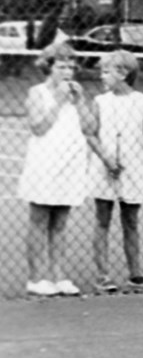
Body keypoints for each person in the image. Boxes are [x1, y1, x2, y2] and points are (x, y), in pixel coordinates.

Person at [85, 50, 143, 292]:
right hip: (105, 167)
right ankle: (102, 275)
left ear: (123, 73)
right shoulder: (100, 102)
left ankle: (135, 273)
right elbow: (91, 135)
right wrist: (107, 159)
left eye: (106, 71)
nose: (102, 76)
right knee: (102, 219)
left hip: (133, 168)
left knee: (131, 221)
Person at [17, 42, 92, 296]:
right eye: (61, 66)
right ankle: (35, 278)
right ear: (49, 67)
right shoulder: (37, 93)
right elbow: (38, 127)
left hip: (71, 161)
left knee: (60, 221)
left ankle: (58, 276)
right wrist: (58, 101)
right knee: (39, 219)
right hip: (45, 163)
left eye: (71, 66)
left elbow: (90, 127)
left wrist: (80, 101)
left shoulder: (75, 93)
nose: (68, 71)